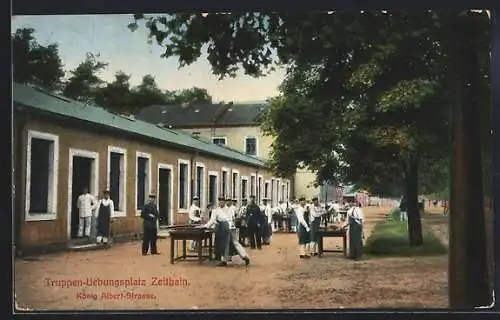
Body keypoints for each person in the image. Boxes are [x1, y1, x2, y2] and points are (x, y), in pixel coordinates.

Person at [201, 197, 250, 267]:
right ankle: (243, 256)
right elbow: (212, 221)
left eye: (223, 201)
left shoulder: (229, 209)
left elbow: (232, 218)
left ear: (224, 202)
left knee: (231, 243)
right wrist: (207, 226)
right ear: (218, 202)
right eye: (220, 201)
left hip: (228, 228)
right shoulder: (216, 210)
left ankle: (242, 257)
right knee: (230, 243)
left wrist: (205, 226)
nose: (221, 203)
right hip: (224, 228)